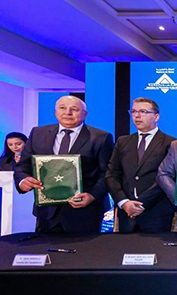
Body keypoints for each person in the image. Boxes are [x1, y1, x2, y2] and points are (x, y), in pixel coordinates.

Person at [14, 95, 114, 233]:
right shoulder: (38, 133)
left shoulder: (101, 137)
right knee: (44, 251)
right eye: (62, 108)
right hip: (46, 213)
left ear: (84, 114)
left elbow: (107, 172)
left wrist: (92, 196)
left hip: (84, 212)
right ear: (55, 112)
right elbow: (22, 166)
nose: (67, 112)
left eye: (74, 109)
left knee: (85, 254)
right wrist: (23, 180)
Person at [105, 97, 176, 233]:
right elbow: (111, 175)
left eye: (143, 111)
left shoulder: (171, 143)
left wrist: (142, 203)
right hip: (126, 213)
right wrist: (124, 202)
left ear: (156, 116)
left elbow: (168, 178)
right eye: (134, 111)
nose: (137, 116)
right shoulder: (123, 142)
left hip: (156, 212)